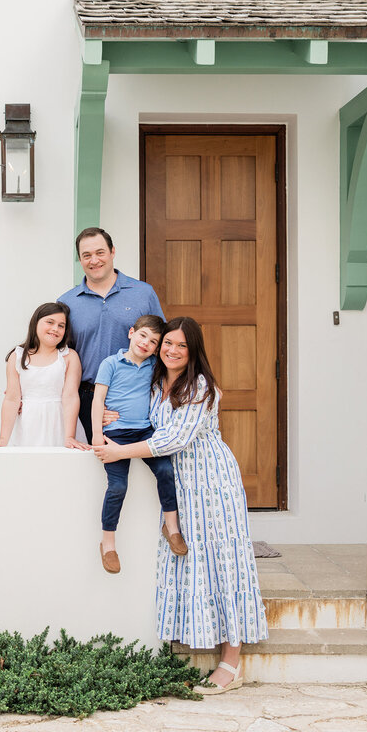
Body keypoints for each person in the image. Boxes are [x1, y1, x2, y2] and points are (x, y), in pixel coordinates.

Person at [92, 317, 268, 695]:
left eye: (181, 346)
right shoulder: (154, 380)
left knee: (224, 561)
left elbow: (171, 438)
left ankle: (231, 661)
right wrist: (111, 415)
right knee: (193, 562)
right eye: (167, 343)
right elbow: (136, 414)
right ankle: (195, 642)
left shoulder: (201, 387)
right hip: (178, 485)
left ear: (193, 352)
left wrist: (118, 451)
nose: (171, 350)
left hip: (211, 480)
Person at [91, 315, 186, 574]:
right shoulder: (111, 363)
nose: (146, 343)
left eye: (153, 341)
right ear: (131, 333)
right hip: (116, 434)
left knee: (166, 471)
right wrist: (97, 434)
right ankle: (108, 543)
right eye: (143, 335)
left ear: (157, 348)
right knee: (118, 487)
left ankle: (172, 527)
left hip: (144, 431)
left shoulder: (155, 365)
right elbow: (98, 399)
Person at [58, 227, 164, 443]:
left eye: (100, 252)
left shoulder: (143, 293)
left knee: (137, 471)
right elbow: (58, 355)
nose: (94, 260)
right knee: (91, 467)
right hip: (86, 398)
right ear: (80, 259)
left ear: (112, 251)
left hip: (138, 395)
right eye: (86, 255)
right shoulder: (67, 302)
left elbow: (163, 345)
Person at [0, 302, 86, 449]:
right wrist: (3, 439)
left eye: (61, 326)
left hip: (59, 423)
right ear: (35, 323)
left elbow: (71, 396)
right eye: (50, 322)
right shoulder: (17, 356)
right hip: (27, 424)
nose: (55, 328)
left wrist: (69, 436)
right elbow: (11, 398)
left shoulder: (68, 357)